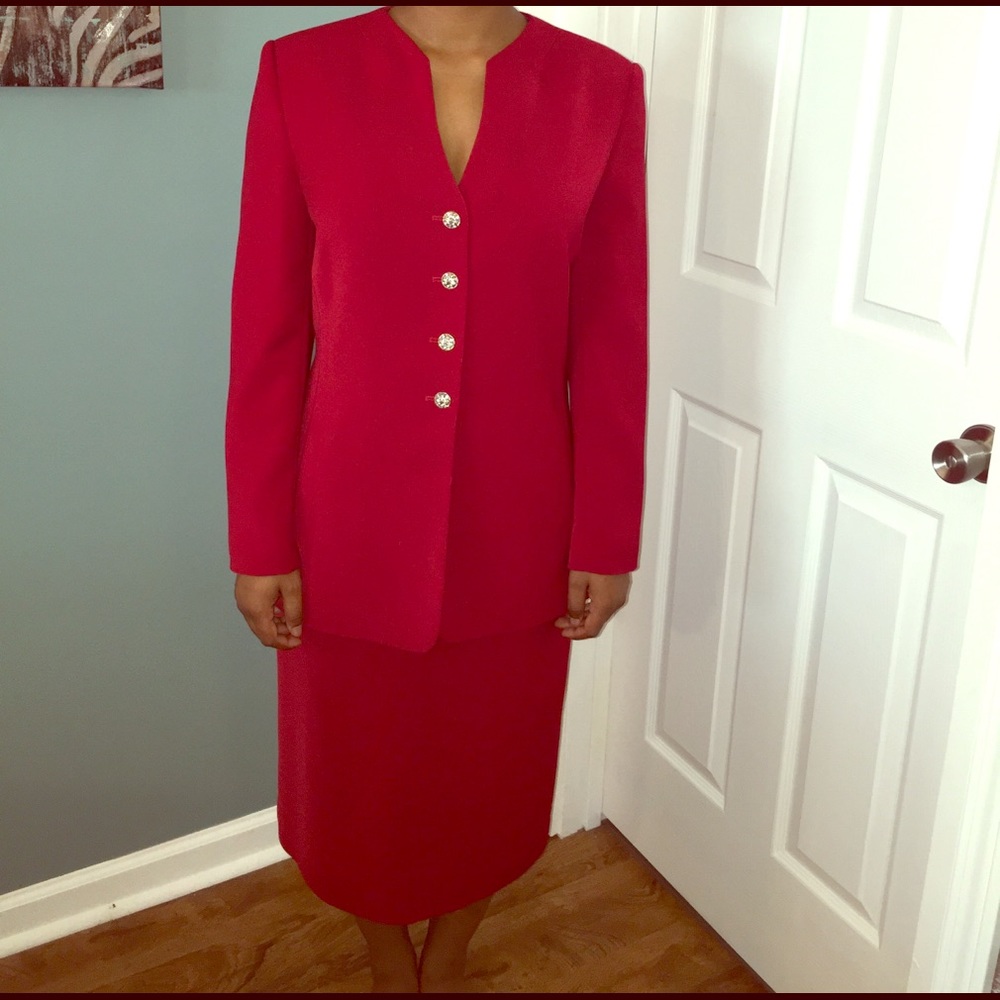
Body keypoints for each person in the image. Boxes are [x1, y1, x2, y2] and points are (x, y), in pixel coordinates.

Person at [226, 5, 647, 992]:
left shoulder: (599, 87)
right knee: (355, 778)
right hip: (346, 521)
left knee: (488, 768)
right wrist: (258, 537)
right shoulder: (302, 73)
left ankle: (450, 952)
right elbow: (269, 326)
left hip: (521, 521)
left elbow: (612, 336)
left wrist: (605, 533)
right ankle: (382, 955)